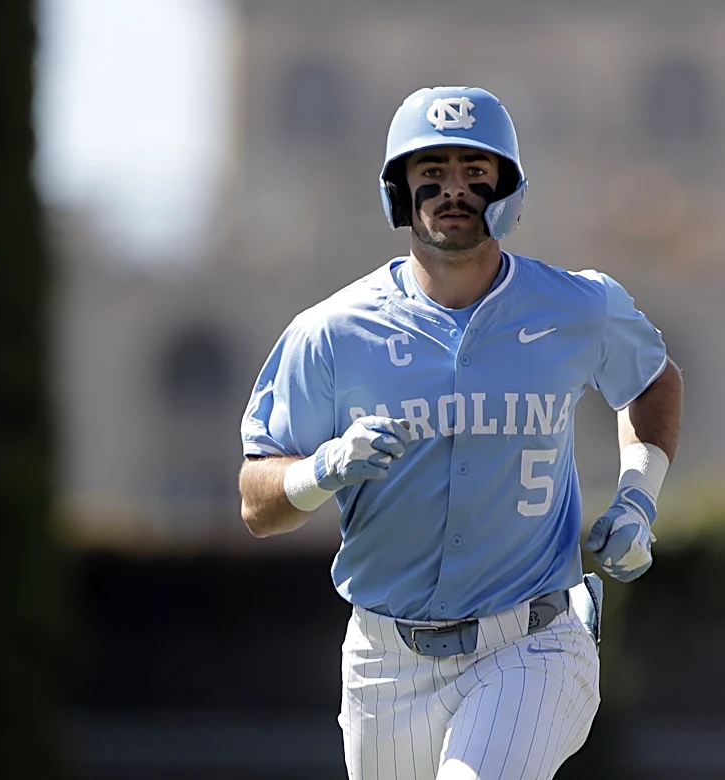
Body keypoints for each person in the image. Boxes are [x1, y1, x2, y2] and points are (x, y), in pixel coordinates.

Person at [238, 86, 683, 780]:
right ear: (398, 191)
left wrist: (638, 498)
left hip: (531, 644)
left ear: (508, 187)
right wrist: (318, 470)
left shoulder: (581, 305)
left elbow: (653, 380)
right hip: (383, 661)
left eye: (476, 172)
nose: (454, 190)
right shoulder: (331, 331)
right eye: (433, 172)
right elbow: (255, 504)